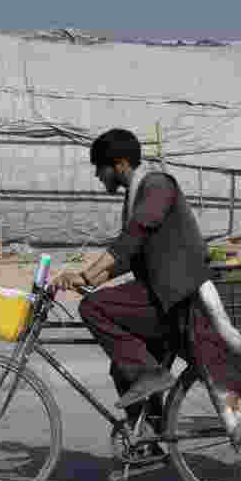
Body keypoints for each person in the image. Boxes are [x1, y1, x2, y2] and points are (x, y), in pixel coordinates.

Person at [50, 129, 215, 451]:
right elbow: (133, 254)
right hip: (160, 292)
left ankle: (149, 374)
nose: (99, 176)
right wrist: (88, 279)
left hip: (175, 296)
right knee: (121, 368)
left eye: (101, 168)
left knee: (93, 308)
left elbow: (133, 237)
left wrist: (88, 274)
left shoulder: (157, 185)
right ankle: (148, 441)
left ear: (120, 164)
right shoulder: (138, 192)